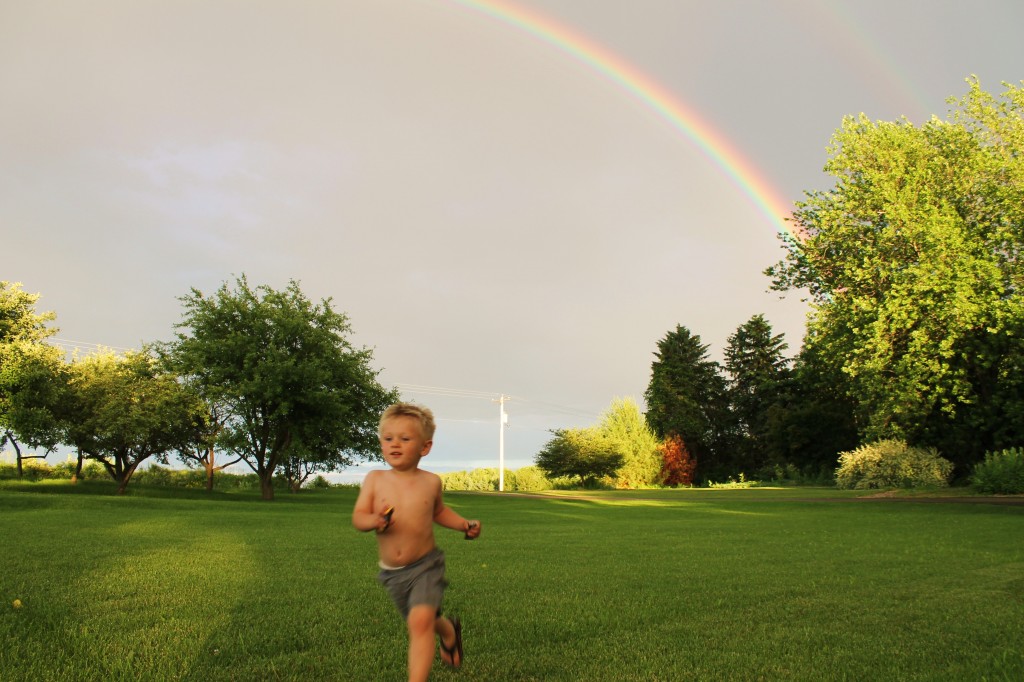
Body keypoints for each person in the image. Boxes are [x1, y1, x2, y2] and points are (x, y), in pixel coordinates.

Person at [353, 402, 482, 682]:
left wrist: (464, 524)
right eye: (388, 439)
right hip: (393, 574)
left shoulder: (431, 482)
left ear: (425, 447)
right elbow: (358, 517)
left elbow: (438, 512)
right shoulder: (375, 480)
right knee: (424, 620)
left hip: (426, 565)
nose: (395, 444)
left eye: (405, 439)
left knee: (419, 621)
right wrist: (373, 520)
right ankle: (448, 631)